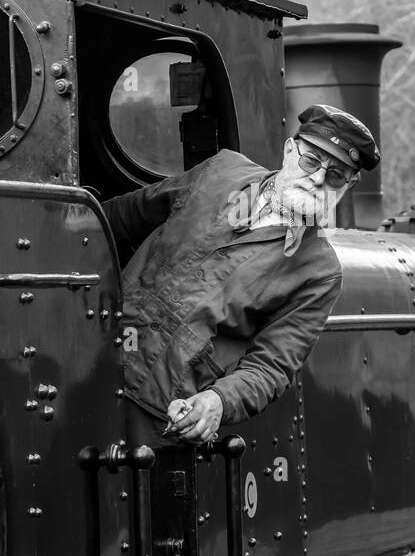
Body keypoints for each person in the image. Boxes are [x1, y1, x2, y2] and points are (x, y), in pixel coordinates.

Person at [101, 104, 380, 446]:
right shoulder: (221, 171)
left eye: (336, 175)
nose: (318, 179)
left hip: (160, 406)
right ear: (290, 151)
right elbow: (122, 217)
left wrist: (218, 401)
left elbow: (270, 367)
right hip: (93, 351)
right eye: (311, 161)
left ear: (349, 184)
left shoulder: (320, 272)